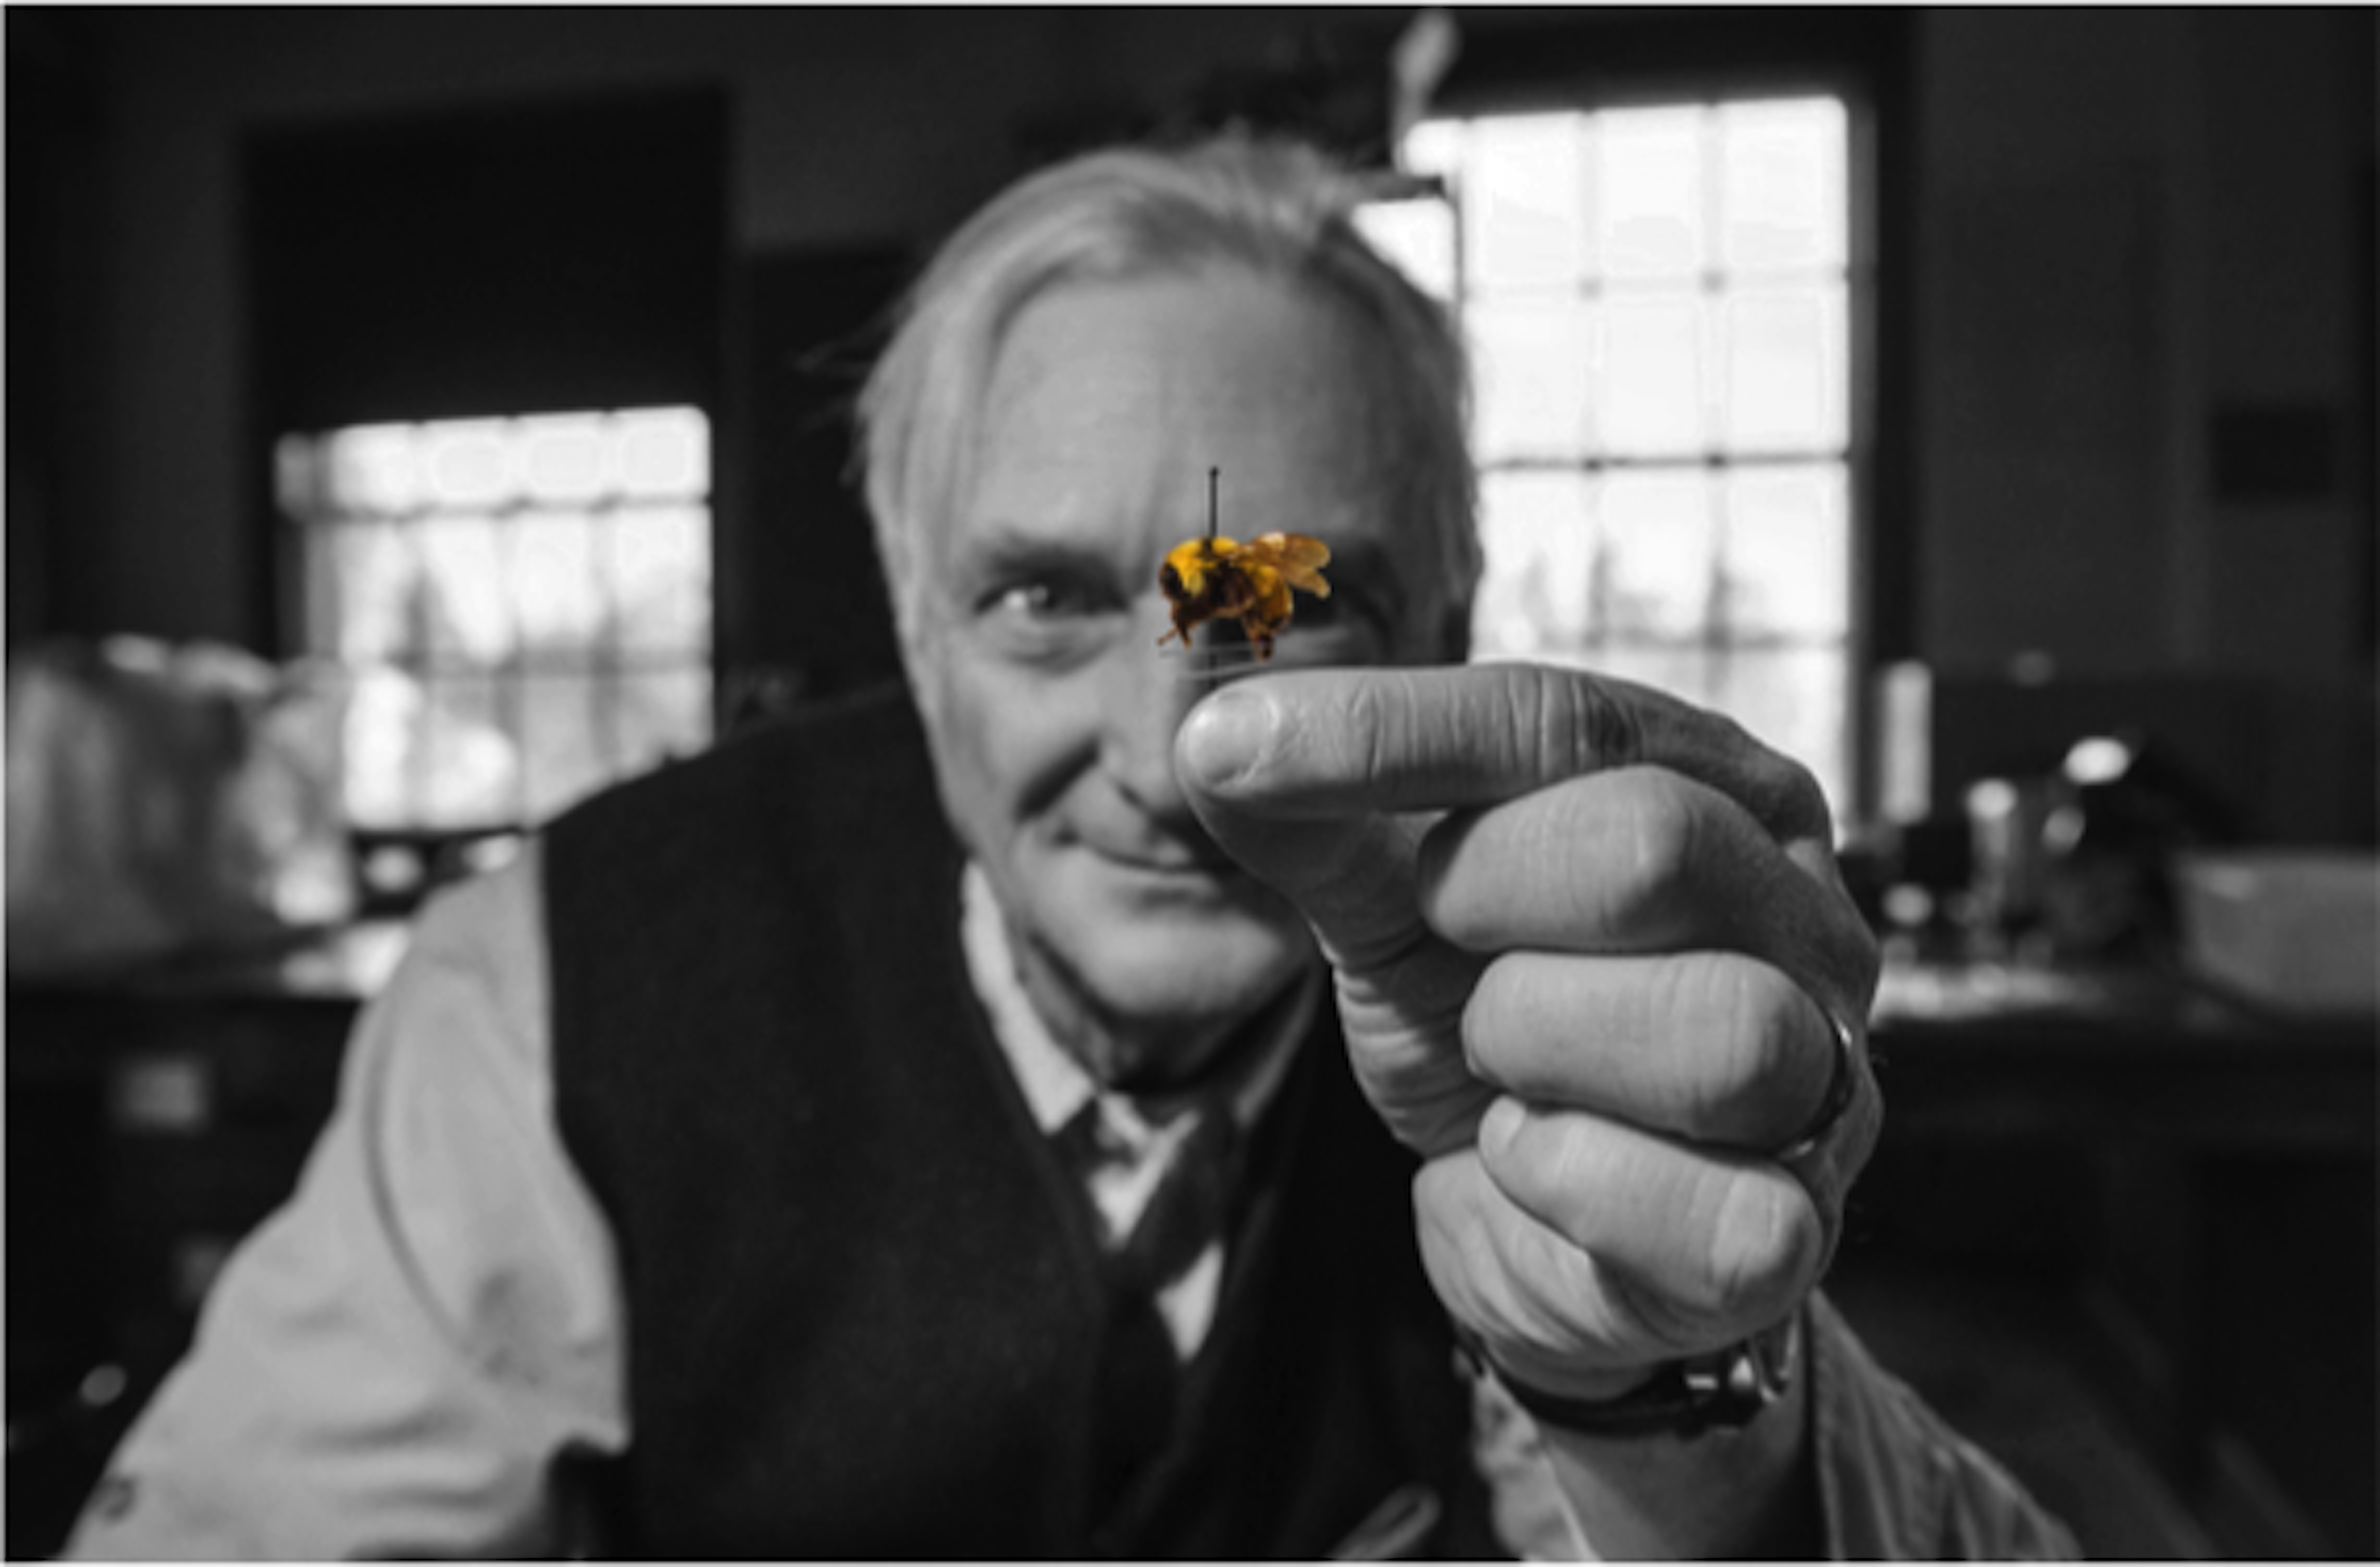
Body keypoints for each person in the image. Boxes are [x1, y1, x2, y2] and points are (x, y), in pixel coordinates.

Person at [67, 135, 2076, 1560]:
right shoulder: (555, 986)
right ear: (909, 634)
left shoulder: (1526, 1034)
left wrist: (1673, 1397)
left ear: (1447, 639)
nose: (1169, 752)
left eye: (1276, 603)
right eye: (1039, 598)